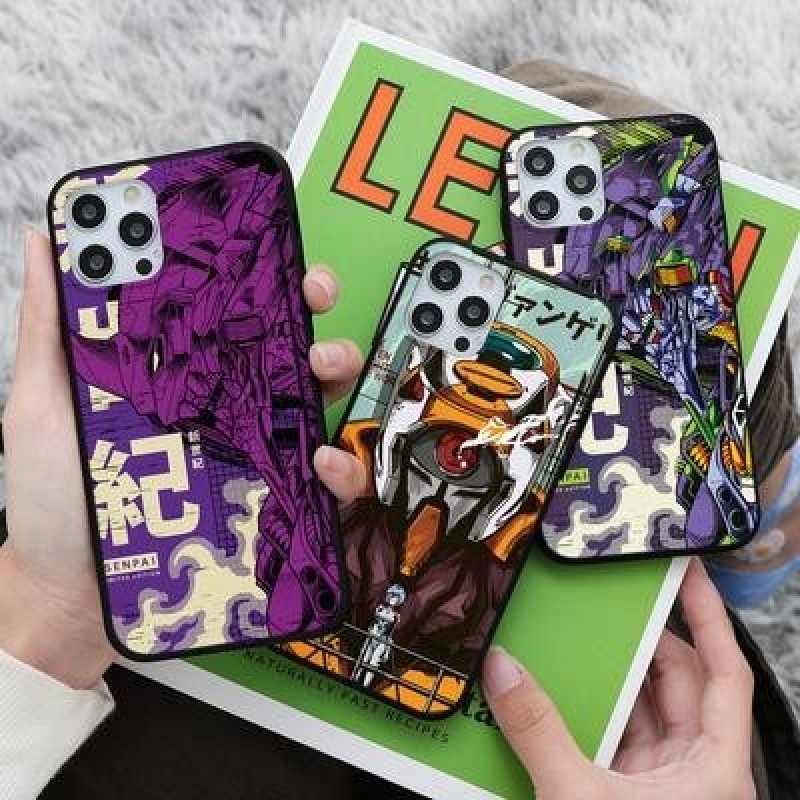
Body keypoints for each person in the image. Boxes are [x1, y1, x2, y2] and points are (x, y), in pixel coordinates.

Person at [0, 63, 798, 800]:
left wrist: (44, 612)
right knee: (689, 314)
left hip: (89, 692)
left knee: (569, 148)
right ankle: (749, 511)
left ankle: (735, 511)